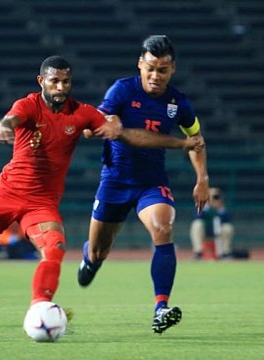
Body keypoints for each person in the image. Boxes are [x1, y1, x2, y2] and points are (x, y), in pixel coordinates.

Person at [0, 55, 203, 329]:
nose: (61, 87)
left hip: (42, 203)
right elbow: (11, 120)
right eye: (54, 81)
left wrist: (116, 128)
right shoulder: (28, 105)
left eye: (66, 81)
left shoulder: (82, 114)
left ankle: (40, 307)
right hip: (6, 194)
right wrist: (2, 127)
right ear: (41, 80)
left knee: (54, 250)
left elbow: (120, 133)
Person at [77, 35, 210, 334]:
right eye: (149, 68)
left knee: (163, 227)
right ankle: (90, 258)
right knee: (99, 251)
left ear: (172, 69)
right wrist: (99, 126)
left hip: (151, 183)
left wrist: (202, 179)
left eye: (162, 70)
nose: (154, 75)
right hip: (114, 181)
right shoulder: (122, 90)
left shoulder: (179, 103)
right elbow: (99, 125)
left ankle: (160, 307)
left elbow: (197, 142)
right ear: (140, 64)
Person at [190, 187, 234, 260]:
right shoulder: (201, 206)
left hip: (219, 230)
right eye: (211, 196)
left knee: (227, 227)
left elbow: (228, 219)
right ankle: (198, 252)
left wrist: (219, 208)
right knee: (197, 224)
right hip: (205, 231)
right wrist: (206, 205)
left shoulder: (222, 208)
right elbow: (197, 217)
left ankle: (225, 253)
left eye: (216, 196)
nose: (214, 198)